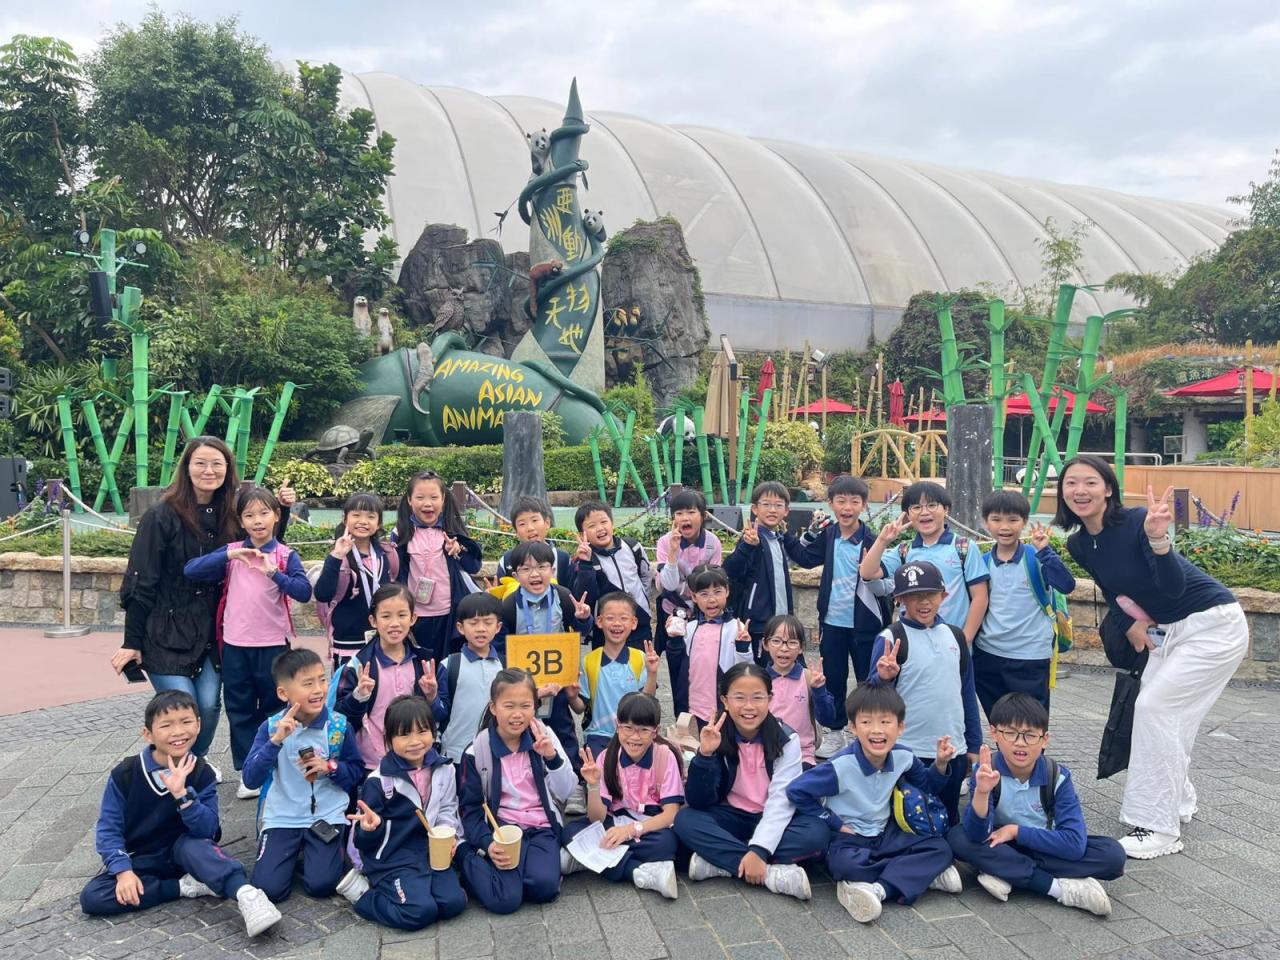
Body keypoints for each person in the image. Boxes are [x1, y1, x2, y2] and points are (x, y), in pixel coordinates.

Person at [1056, 455, 1247, 859]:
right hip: (1170, 632)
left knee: (1155, 708)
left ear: (1108, 489)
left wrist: (1159, 541)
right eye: (1071, 483)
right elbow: (1111, 589)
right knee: (1167, 716)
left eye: (1090, 482)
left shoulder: (1138, 522)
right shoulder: (1079, 543)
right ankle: (1178, 800)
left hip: (1213, 626)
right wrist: (1129, 621)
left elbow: (1173, 588)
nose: (1080, 490)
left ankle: (1159, 828)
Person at [112, 436, 295, 767]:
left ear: (228, 468)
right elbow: (142, 580)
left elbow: (262, 549)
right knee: (184, 705)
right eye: (200, 463)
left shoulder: (231, 514)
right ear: (187, 467)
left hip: (212, 630)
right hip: (166, 630)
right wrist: (131, 642)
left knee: (208, 706)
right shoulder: (161, 516)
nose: (209, 471)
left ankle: (194, 762)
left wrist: (285, 510)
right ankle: (179, 767)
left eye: (217, 464)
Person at [79, 691, 282, 936]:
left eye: (186, 722)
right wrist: (123, 872)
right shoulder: (126, 774)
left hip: (188, 850)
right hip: (143, 858)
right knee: (93, 897)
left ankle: (246, 895)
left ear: (198, 725)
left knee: (198, 849)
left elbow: (208, 830)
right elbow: (109, 828)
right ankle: (182, 886)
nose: (178, 732)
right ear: (148, 734)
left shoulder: (201, 773)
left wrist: (183, 797)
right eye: (166, 725)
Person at [786, 684, 961, 924]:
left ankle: (878, 888)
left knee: (941, 848)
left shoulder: (904, 756)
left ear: (900, 727)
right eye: (866, 722)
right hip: (850, 837)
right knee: (844, 865)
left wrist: (940, 764)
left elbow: (927, 787)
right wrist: (833, 822)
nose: (876, 730)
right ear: (853, 727)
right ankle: (918, 876)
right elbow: (796, 791)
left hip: (886, 833)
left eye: (885, 722)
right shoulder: (840, 766)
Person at [183, 486, 311, 796]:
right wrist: (229, 554)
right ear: (240, 521)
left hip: (273, 645)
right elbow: (191, 570)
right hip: (235, 645)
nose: (257, 521)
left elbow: (304, 592)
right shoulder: (232, 553)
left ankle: (276, 764)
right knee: (239, 709)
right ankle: (247, 770)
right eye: (249, 515)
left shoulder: (285, 555)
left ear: (276, 516)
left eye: (264, 513)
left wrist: (274, 574)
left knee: (274, 706)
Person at [948, 693, 1124, 915]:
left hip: (1043, 845)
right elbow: (977, 834)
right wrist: (982, 792)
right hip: (999, 844)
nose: (1020, 743)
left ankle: (1005, 871)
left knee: (1112, 855)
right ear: (994, 733)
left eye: (1030, 735)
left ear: (1044, 739)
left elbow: (1074, 843)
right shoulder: (986, 770)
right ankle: (1057, 888)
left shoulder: (1057, 777)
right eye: (1010, 733)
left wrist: (1016, 831)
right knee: (958, 838)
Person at [673, 663, 828, 901]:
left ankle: (721, 862)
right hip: (731, 815)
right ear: (725, 701)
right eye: (739, 698)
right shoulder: (716, 734)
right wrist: (705, 756)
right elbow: (698, 801)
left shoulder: (787, 740)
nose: (748, 707)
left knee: (817, 834)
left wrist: (759, 849)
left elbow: (782, 801)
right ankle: (769, 873)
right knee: (685, 820)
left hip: (774, 816)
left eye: (757, 697)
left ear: (770, 699)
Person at [241, 649, 365, 902]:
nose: (318, 690)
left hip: (327, 815)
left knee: (322, 885)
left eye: (322, 680)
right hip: (283, 816)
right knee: (269, 889)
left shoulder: (338, 725)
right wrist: (275, 742)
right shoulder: (271, 727)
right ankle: (298, 854)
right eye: (308, 683)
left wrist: (331, 767)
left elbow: (356, 771)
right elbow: (250, 779)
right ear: (283, 693)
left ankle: (314, 855)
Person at [867, 561, 983, 826]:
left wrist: (973, 744)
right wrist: (883, 678)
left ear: (944, 595)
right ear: (899, 599)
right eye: (914, 595)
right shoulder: (890, 638)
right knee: (909, 821)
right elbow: (871, 701)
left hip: (952, 749)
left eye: (931, 594)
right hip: (908, 751)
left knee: (949, 818)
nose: (924, 602)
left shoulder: (955, 637)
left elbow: (967, 694)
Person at [337, 696, 468, 930]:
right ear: (389, 739)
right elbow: (361, 837)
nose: (415, 741)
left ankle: (417, 889)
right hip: (391, 859)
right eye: (404, 734)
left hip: (429, 853)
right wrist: (370, 828)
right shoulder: (379, 781)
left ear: (433, 732)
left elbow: (447, 808)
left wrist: (448, 836)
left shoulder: (444, 768)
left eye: (422, 731)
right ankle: (365, 897)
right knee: (419, 912)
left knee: (453, 903)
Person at [456, 669, 576, 914]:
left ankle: (532, 868)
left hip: (541, 826)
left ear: (535, 706)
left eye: (526, 706)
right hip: (502, 830)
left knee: (544, 888)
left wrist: (551, 757)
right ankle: (466, 855)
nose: (517, 714)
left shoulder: (544, 736)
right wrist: (488, 843)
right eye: (509, 706)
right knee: (505, 900)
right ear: (493, 708)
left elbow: (566, 791)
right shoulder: (477, 751)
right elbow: (470, 810)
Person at [791, 475, 893, 758]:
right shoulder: (830, 535)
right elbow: (806, 558)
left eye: (854, 501)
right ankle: (835, 731)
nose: (847, 507)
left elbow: (884, 577)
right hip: (832, 623)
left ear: (864, 505)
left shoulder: (873, 540)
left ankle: (868, 733)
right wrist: (785, 536)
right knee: (834, 678)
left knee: (869, 681)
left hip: (866, 624)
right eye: (841, 501)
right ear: (831, 503)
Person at [562, 693, 684, 899]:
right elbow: (597, 818)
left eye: (643, 730)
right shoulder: (607, 757)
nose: (634, 737)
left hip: (649, 825)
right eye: (627, 728)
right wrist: (593, 785)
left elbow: (671, 813)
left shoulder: (664, 756)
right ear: (617, 726)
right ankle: (638, 872)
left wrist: (629, 831)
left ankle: (587, 858)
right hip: (614, 820)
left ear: (655, 732)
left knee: (667, 843)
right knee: (571, 832)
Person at [976, 490, 1075, 715]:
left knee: (1031, 721)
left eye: (1013, 520)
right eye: (996, 519)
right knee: (998, 721)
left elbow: (1066, 585)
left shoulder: (1036, 558)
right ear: (985, 523)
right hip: (989, 654)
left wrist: (1045, 552)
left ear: (1024, 522)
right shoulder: (982, 562)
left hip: (1031, 655)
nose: (1004, 527)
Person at [859, 481, 990, 643]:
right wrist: (882, 540)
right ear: (908, 514)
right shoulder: (904, 550)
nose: (924, 512)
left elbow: (980, 597)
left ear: (946, 509)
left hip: (952, 641)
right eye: (916, 507)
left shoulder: (963, 547)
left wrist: (964, 640)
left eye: (932, 505)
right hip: (912, 642)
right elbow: (867, 573)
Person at [333, 583, 444, 772]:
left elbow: (440, 715)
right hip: (372, 763)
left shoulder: (424, 663)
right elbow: (341, 718)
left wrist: (432, 697)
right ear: (373, 620)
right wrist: (358, 697)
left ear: (413, 618)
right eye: (386, 616)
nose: (394, 623)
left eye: (402, 615)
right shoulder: (358, 666)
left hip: (415, 759)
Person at [393, 470, 483, 661]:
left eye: (434, 497)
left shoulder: (452, 530)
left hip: (449, 612)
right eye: (420, 498)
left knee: (446, 663)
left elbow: (474, 566)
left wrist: (458, 550)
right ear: (409, 500)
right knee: (419, 663)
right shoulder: (401, 533)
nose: (427, 503)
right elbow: (394, 571)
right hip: (415, 614)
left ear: (443, 500)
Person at [654, 489, 724, 713]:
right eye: (679, 513)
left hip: (704, 613)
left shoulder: (712, 543)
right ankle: (681, 718)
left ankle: (708, 713)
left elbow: (712, 582)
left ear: (703, 515)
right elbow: (668, 585)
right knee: (678, 670)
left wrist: (692, 592)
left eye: (691, 512)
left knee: (704, 665)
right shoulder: (665, 542)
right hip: (673, 615)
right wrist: (673, 553)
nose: (685, 518)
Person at [314, 491, 400, 669]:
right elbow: (322, 594)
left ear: (379, 523)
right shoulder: (339, 558)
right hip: (348, 644)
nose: (363, 521)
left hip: (382, 641)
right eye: (356, 515)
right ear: (344, 519)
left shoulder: (386, 555)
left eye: (370, 516)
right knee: (349, 686)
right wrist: (336, 556)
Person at [569, 593, 661, 756]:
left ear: (634, 623)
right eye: (610, 618)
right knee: (599, 770)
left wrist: (652, 673)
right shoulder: (589, 661)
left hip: (634, 734)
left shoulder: (640, 658)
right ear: (599, 621)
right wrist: (572, 696)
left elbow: (647, 699)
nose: (617, 623)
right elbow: (579, 708)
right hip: (598, 735)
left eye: (624, 618)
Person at [722, 482, 807, 656]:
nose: (772, 510)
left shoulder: (777, 538)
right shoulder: (752, 538)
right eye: (766, 504)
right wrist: (747, 546)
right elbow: (730, 570)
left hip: (780, 620)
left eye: (778, 505)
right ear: (755, 509)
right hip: (759, 622)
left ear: (786, 511)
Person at [677, 565, 754, 726]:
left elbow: (745, 670)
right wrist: (673, 639)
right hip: (692, 708)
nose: (712, 600)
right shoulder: (689, 628)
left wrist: (743, 647)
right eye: (704, 594)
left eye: (717, 592)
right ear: (694, 597)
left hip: (723, 708)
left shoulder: (736, 628)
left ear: (727, 591)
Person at [570, 500, 653, 647]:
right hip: (606, 633)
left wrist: (641, 602)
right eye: (592, 526)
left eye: (604, 522)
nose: (600, 528)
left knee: (641, 661)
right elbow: (584, 596)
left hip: (639, 626)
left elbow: (645, 575)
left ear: (612, 523)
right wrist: (585, 564)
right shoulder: (583, 561)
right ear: (582, 534)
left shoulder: (633, 547)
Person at [436, 592, 506, 762]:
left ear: (498, 627)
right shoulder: (450, 665)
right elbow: (440, 713)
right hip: (456, 753)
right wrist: (431, 696)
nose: (481, 628)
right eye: (473, 623)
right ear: (460, 628)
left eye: (488, 622)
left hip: (498, 752)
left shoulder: (506, 665)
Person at [761, 616, 837, 767]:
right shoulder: (759, 680)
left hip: (802, 756)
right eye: (776, 641)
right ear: (765, 644)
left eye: (792, 642)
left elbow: (828, 719)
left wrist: (819, 691)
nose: (784, 648)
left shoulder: (808, 678)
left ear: (801, 647)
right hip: (766, 755)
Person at [495, 496, 572, 586]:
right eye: (522, 524)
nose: (530, 528)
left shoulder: (563, 559)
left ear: (547, 523)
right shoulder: (507, 560)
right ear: (516, 531)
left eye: (534, 520)